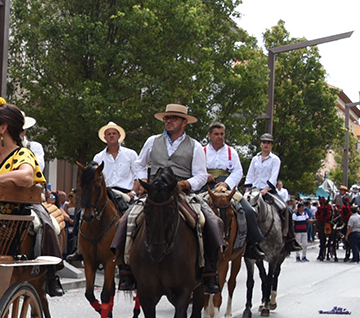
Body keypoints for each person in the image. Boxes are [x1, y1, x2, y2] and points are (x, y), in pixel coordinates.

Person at [112, 103, 222, 295]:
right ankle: (126, 269)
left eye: (174, 118)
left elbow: (201, 175)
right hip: (155, 192)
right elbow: (139, 164)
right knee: (126, 220)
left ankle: (210, 272)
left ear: (184, 122)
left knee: (210, 221)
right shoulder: (152, 141)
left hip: (182, 193)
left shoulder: (195, 146)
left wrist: (185, 184)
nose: (169, 121)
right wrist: (144, 181)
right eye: (167, 118)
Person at [0, 98, 62, 296]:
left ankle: (50, 274)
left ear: (3, 128)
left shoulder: (22, 154)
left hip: (4, 226)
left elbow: (26, 176)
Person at [203, 122, 265, 260]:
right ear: (209, 135)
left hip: (227, 186)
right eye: (216, 134)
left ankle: (252, 245)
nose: (220, 137)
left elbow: (238, 171)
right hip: (206, 186)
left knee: (249, 211)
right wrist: (204, 175)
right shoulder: (202, 151)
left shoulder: (232, 152)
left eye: (222, 134)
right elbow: (195, 169)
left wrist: (226, 183)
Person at [91, 120, 139, 215]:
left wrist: (133, 192)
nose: (111, 136)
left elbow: (138, 176)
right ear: (105, 138)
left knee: (140, 215)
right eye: (109, 134)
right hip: (105, 194)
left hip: (126, 194)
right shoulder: (98, 157)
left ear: (119, 136)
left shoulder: (131, 154)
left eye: (114, 133)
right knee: (82, 215)